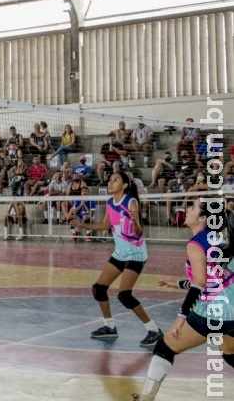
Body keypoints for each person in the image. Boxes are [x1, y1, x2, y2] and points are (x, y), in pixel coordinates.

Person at [132, 198, 234, 401]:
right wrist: (178, 284)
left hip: (215, 311)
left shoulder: (196, 243)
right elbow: (215, 279)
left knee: (164, 347)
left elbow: (201, 283)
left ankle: (145, 399)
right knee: (229, 351)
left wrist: (181, 317)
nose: (187, 209)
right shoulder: (216, 239)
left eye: (193, 207)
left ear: (202, 218)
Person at [71, 171, 163, 347]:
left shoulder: (131, 201)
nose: (111, 182)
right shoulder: (110, 203)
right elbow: (105, 226)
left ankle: (154, 330)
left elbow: (138, 232)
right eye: (110, 179)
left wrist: (135, 221)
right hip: (120, 252)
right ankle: (109, 326)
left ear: (125, 185)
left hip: (135, 253)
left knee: (124, 295)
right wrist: (81, 224)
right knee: (98, 289)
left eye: (116, 180)